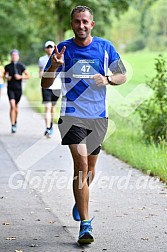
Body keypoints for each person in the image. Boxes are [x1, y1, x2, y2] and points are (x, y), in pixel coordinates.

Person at [41, 6, 126, 244]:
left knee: (89, 170)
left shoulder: (105, 47)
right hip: (71, 115)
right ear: (72, 24)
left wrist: (108, 79)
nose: (81, 26)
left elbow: (123, 75)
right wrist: (55, 66)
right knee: (80, 163)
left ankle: (81, 199)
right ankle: (85, 225)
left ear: (92, 24)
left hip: (98, 117)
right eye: (77, 22)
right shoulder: (62, 50)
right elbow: (46, 84)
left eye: (85, 22)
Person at [39, 40, 61, 138]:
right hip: (46, 87)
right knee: (47, 107)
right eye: (47, 47)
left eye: (51, 47)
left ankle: (51, 125)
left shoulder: (60, 58)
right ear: (45, 49)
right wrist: (41, 75)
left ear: (54, 48)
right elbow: (40, 71)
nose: (49, 49)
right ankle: (48, 128)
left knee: (52, 108)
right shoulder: (42, 59)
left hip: (57, 87)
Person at [5, 49, 30, 133]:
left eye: (15, 55)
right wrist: (6, 77)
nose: (14, 56)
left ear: (18, 56)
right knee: (12, 105)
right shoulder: (7, 66)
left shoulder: (21, 66)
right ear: (11, 56)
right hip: (10, 88)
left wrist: (20, 77)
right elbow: (4, 75)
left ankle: (15, 121)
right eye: (12, 55)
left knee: (16, 106)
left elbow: (28, 76)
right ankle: (12, 125)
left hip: (18, 89)